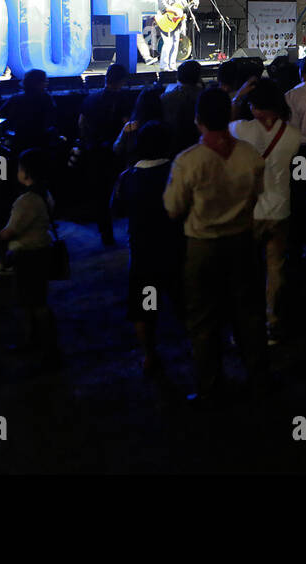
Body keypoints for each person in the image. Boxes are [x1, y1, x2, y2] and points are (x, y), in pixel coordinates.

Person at [163, 88, 267, 404]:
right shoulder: (250, 155)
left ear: (198, 121)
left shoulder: (187, 162)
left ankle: (210, 386)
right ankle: (259, 378)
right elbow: (257, 196)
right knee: (248, 314)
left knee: (203, 318)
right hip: (241, 243)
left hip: (202, 248)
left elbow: (172, 209)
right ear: (231, 116)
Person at [112, 121, 184, 377]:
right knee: (183, 302)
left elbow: (117, 210)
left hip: (143, 255)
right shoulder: (177, 172)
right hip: (176, 250)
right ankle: (199, 350)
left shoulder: (128, 178)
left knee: (146, 307)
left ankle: (150, 355)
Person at [233, 80, 301, 346]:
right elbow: (297, 172)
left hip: (251, 212)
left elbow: (218, 127)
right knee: (275, 270)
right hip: (280, 209)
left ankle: (247, 326)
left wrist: (238, 97)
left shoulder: (243, 129)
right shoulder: (293, 134)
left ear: (256, 106)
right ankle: (272, 322)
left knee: (247, 272)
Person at [0, 147, 61, 371]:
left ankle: (47, 348)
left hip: (29, 255)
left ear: (26, 172)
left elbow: (11, 230)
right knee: (33, 300)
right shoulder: (45, 194)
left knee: (35, 302)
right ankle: (37, 342)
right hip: (41, 251)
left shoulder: (27, 201)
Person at [78, 63, 134, 248]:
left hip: (94, 152)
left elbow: (82, 123)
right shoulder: (123, 100)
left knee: (100, 194)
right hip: (114, 153)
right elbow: (127, 127)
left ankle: (106, 233)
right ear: (122, 81)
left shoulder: (90, 99)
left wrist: (88, 143)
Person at [162, 60, 204, 156]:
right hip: (197, 145)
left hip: (171, 147)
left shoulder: (166, 97)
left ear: (178, 76)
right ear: (198, 77)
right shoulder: (204, 96)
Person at [156, 0, 188, 72]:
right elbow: (162, 6)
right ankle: (164, 65)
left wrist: (192, 5)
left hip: (176, 22)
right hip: (166, 21)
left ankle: (172, 65)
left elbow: (185, 6)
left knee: (175, 44)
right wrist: (174, 10)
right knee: (168, 43)